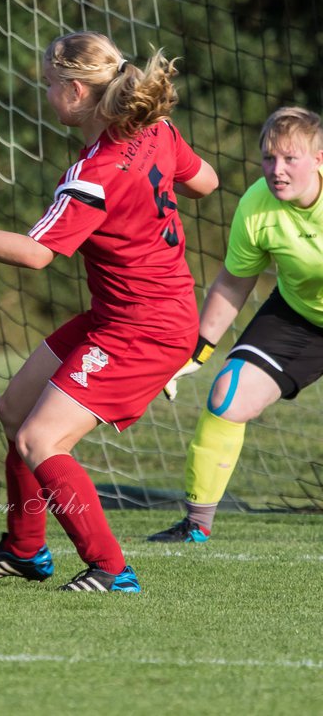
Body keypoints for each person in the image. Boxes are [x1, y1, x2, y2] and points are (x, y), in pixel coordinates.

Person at [0, 31, 219, 592]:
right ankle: (24, 549)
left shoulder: (93, 175)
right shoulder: (159, 130)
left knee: (40, 441)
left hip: (143, 328)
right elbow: (207, 182)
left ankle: (111, 568)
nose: (47, 94)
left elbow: (35, 255)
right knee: (15, 409)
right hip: (129, 312)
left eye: (50, 84)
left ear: (77, 91)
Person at [149, 106, 323, 543]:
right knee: (228, 395)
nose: (276, 170)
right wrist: (196, 350)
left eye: (290, 159)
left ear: (319, 159)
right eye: (268, 158)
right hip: (299, 315)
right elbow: (233, 282)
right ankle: (196, 525)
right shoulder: (256, 205)